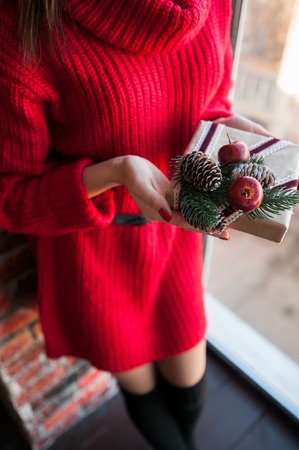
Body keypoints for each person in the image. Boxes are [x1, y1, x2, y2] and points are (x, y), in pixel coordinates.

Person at [0, 1, 271, 449]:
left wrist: (223, 127)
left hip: (172, 239)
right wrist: (113, 172)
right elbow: (11, 195)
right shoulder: (22, 26)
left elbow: (212, 97)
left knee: (189, 380)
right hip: (94, 252)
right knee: (140, 387)